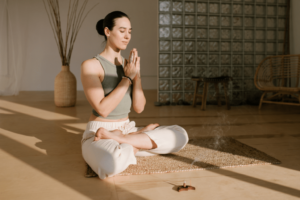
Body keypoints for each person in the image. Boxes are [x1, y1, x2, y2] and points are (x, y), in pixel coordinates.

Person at [81, 11, 189, 180]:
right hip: (99, 133)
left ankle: (127, 139)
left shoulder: (129, 66)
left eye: (130, 31)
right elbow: (103, 109)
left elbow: (139, 108)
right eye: (122, 31)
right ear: (107, 31)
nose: (127, 36)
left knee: (181, 135)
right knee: (110, 164)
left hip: (126, 129)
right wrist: (127, 78)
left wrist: (137, 76)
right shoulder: (91, 66)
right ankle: (136, 142)